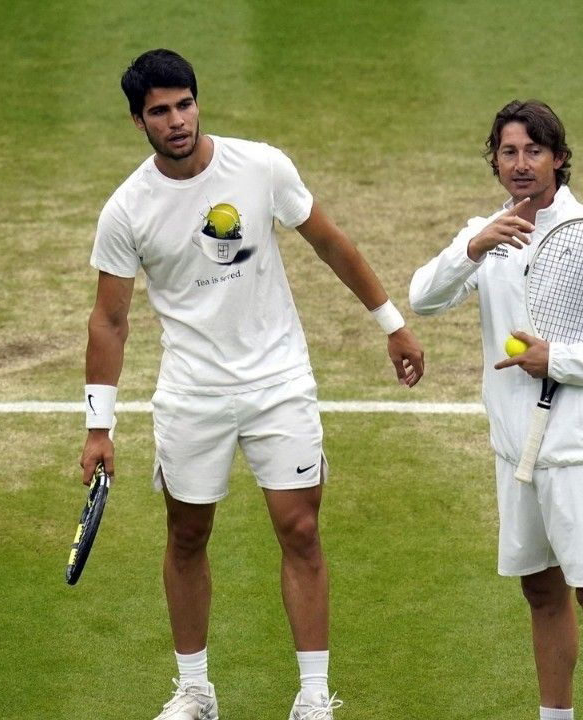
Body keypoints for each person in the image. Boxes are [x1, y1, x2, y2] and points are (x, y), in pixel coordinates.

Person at [79, 49, 424, 720]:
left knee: (300, 529)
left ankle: (314, 697)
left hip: (278, 382)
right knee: (186, 535)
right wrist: (99, 426)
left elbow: (330, 242)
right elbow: (109, 321)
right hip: (192, 394)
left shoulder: (262, 166)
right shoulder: (126, 210)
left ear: (197, 102)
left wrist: (392, 324)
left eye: (185, 104)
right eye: (160, 111)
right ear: (138, 121)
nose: (177, 121)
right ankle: (195, 691)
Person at [409, 100, 583, 720]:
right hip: (515, 450)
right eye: (509, 152)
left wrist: (559, 360)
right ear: (495, 160)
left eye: (534, 151)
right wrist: (471, 248)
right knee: (542, 594)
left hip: (581, 453)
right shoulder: (486, 235)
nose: (520, 164)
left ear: (559, 158)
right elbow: (423, 299)